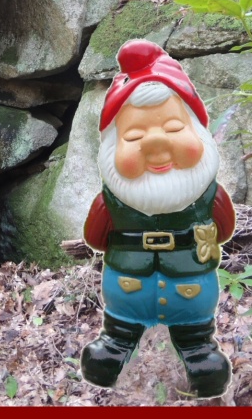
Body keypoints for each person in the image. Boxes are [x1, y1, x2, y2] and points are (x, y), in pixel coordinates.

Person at [81, 39, 235, 398]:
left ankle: (197, 347)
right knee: (118, 330)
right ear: (112, 148)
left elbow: (224, 230)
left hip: (190, 282)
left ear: (197, 132)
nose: (155, 144)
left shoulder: (210, 196)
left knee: (197, 338)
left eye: (174, 129)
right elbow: (95, 237)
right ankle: (117, 342)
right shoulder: (110, 201)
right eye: (134, 135)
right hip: (128, 285)